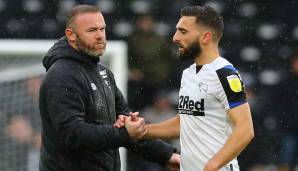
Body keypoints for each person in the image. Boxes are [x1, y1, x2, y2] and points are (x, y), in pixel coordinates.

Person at [39, 5, 179, 171]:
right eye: (91, 30)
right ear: (71, 35)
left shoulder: (103, 73)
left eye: (102, 29)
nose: (100, 36)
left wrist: (166, 155)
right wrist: (124, 133)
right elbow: (74, 134)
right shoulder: (62, 75)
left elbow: (126, 123)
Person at [115, 5, 254, 171]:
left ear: (206, 37)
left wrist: (212, 165)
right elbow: (184, 123)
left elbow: (245, 130)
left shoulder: (224, 74)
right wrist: (142, 130)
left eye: (183, 31)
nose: (175, 37)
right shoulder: (189, 73)